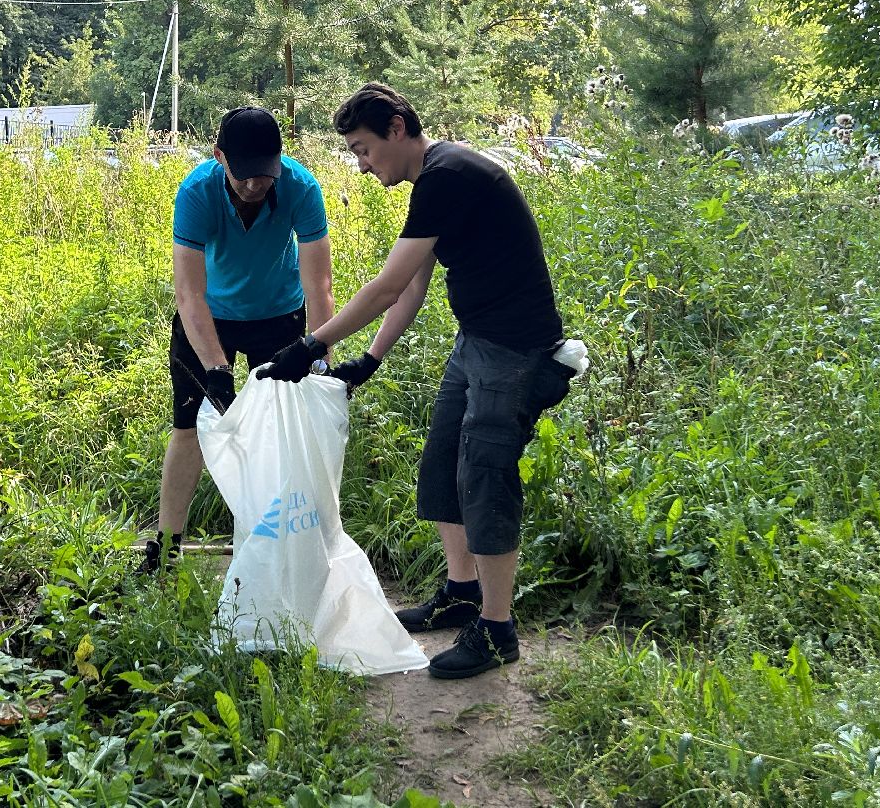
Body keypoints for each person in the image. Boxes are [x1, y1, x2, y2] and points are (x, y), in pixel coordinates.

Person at [257, 83, 577, 679]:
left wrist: (312, 345)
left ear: (397, 128)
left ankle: (497, 630)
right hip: (476, 341)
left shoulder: (448, 175)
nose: (361, 165)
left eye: (364, 149)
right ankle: (462, 594)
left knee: (485, 476)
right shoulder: (437, 177)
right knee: (443, 464)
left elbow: (385, 285)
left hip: (513, 350)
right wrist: (370, 359)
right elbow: (410, 286)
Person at [141, 105, 334, 572]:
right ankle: (165, 548)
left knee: (281, 432)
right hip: (210, 317)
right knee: (188, 427)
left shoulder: (302, 188)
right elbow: (189, 293)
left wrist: (319, 354)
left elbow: (318, 286)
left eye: (265, 172)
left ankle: (278, 544)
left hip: (279, 315)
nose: (254, 184)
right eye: (243, 172)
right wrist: (215, 369)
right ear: (219, 157)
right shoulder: (197, 192)